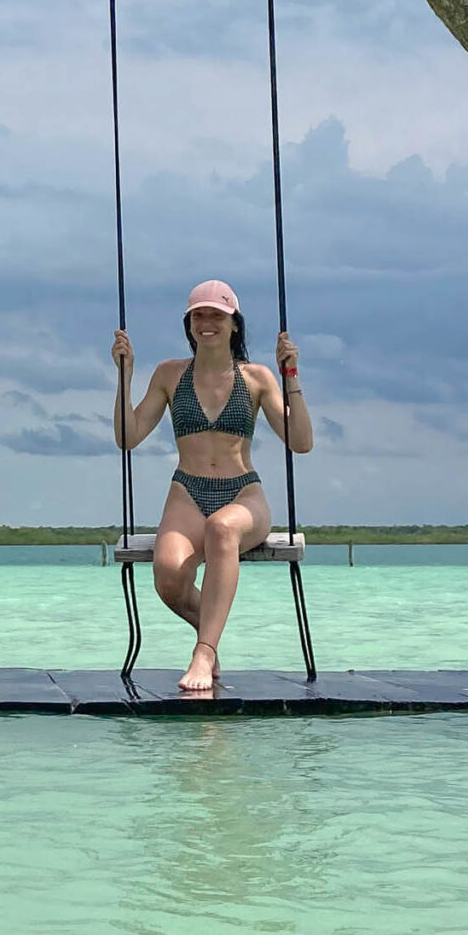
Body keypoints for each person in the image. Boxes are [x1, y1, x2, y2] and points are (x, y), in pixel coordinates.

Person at [111, 278, 312, 695]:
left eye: (216, 315)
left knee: (223, 529)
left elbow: (301, 442)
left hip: (243, 494)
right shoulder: (169, 374)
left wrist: (290, 373)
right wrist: (124, 377)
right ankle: (212, 634)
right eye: (198, 315)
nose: (207, 323)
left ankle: (204, 650)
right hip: (187, 490)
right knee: (168, 579)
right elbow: (128, 437)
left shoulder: (256, 378)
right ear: (188, 324)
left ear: (234, 323)